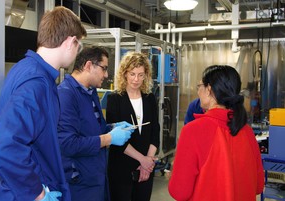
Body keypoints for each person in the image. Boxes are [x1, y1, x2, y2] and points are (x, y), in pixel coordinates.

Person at [0, 6, 87, 201]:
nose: (76, 52)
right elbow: (1, 145)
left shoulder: (25, 69)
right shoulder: (36, 83)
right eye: (78, 46)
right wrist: (37, 194)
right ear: (70, 41)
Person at [168, 65, 264, 201]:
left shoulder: (193, 131)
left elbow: (179, 192)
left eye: (199, 86)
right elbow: (258, 186)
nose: (198, 91)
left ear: (209, 89)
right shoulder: (246, 131)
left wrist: (173, 175)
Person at [57, 47, 134, 201]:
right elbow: (67, 143)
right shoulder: (66, 94)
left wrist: (113, 127)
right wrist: (109, 139)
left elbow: (95, 129)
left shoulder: (90, 92)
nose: (106, 75)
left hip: (96, 177)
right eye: (104, 68)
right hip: (79, 184)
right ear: (88, 65)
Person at [106, 51, 160, 201]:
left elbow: (155, 131)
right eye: (132, 74)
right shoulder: (115, 99)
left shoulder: (149, 99)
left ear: (146, 75)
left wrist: (147, 162)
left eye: (141, 75)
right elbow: (116, 138)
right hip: (121, 167)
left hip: (146, 169)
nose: (136, 79)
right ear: (124, 74)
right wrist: (142, 160)